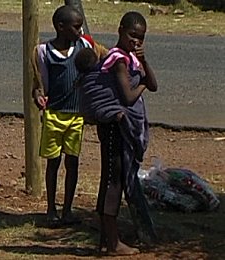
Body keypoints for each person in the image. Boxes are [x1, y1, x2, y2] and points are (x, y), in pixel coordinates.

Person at [78, 11, 158, 255]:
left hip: (118, 126)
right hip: (114, 125)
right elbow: (128, 96)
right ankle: (113, 243)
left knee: (113, 178)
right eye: (132, 35)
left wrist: (144, 64)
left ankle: (106, 239)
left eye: (141, 38)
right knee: (114, 181)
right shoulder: (118, 59)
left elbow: (154, 84)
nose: (136, 41)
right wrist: (141, 82)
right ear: (120, 30)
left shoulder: (131, 58)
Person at [31, 5, 99, 226]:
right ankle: (51, 209)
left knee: (73, 162)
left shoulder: (84, 47)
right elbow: (39, 83)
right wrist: (38, 94)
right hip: (54, 115)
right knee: (53, 162)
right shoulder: (43, 52)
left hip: (76, 116)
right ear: (61, 27)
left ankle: (67, 210)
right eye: (76, 27)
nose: (80, 31)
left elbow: (95, 69)